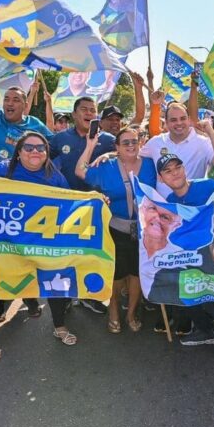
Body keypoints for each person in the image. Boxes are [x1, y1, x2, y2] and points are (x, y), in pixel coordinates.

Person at [0, 132, 75, 351]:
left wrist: (97, 201)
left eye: (40, 148)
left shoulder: (54, 176)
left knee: (53, 282)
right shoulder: (1, 170)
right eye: (29, 148)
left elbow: (71, 204)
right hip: (5, 241)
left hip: (41, 243)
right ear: (19, 152)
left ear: (46, 153)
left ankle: (60, 326)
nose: (35, 152)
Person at [148, 153, 214, 365]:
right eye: (168, 170)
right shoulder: (170, 203)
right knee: (184, 290)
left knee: (209, 297)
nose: (174, 173)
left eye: (177, 167)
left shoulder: (209, 186)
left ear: (184, 169)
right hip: (191, 258)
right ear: (161, 178)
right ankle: (207, 330)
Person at [78, 126, 152, 333]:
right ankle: (113, 311)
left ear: (140, 143)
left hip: (145, 232)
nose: (130, 145)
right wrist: (92, 146)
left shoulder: (150, 165)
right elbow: (80, 170)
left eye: (134, 141)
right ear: (116, 147)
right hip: (115, 229)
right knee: (117, 275)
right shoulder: (107, 166)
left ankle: (131, 314)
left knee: (137, 274)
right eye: (125, 142)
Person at [140, 100, 214, 187]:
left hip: (191, 201)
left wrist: (210, 131)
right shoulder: (155, 142)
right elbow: (133, 157)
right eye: (174, 120)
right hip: (160, 201)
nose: (179, 123)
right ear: (166, 123)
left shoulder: (202, 143)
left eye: (183, 118)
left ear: (189, 120)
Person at [51, 96, 116, 189]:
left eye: (93, 110)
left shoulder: (108, 139)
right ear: (74, 114)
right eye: (84, 109)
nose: (89, 113)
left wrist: (110, 154)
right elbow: (43, 159)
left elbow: (125, 155)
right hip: (67, 197)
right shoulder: (60, 137)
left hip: (97, 199)